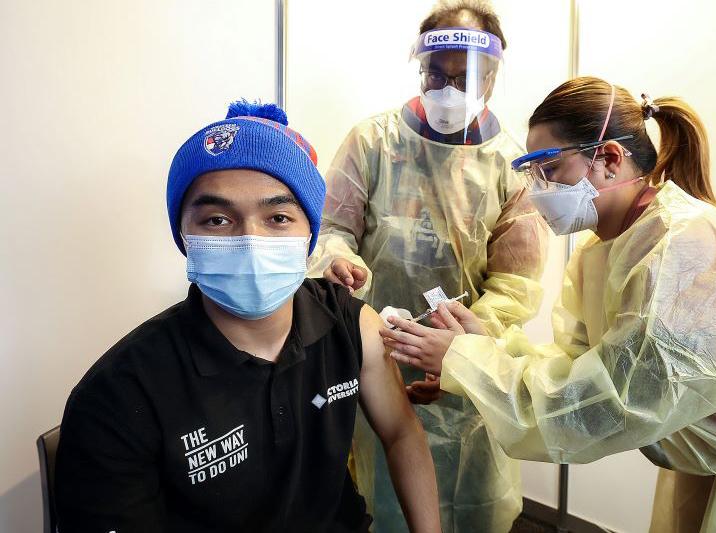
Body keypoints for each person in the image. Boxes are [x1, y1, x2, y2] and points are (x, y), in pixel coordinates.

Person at [381, 76, 716, 532]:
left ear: (609, 159)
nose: (538, 189)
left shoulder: (684, 252)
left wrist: (465, 361)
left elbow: (603, 408)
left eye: (551, 169)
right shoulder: (602, 250)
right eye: (532, 174)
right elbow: (578, 365)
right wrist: (485, 348)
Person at [55, 101, 441, 533]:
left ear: (310, 235)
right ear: (184, 236)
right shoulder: (119, 396)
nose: (250, 241)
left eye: (278, 217)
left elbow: (402, 433)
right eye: (217, 220)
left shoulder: (349, 325)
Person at [307, 1, 550, 531]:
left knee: (474, 502)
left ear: (491, 77)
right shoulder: (373, 143)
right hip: (381, 359)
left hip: (467, 370)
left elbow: (514, 286)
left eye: (465, 78)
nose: (447, 90)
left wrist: (460, 356)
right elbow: (332, 230)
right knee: (384, 497)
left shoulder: (511, 168)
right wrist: (339, 260)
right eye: (436, 74)